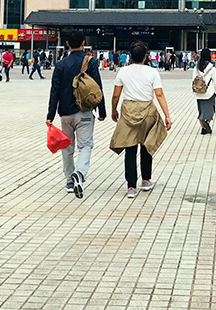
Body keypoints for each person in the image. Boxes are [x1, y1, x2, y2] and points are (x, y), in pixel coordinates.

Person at [46, 30, 106, 199]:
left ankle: (69, 181)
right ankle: (79, 173)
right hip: (84, 112)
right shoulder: (90, 63)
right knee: (85, 145)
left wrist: (50, 115)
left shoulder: (60, 65)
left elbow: (54, 92)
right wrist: (102, 111)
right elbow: (97, 89)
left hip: (65, 113)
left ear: (67, 45)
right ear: (83, 43)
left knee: (67, 146)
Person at [110, 42, 173, 199]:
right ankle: (146, 180)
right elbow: (159, 94)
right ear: (145, 57)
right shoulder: (152, 72)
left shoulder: (123, 72)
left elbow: (116, 94)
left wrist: (113, 110)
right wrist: (167, 115)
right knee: (147, 146)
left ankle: (131, 186)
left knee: (130, 149)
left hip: (128, 111)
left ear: (131, 56)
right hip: (147, 111)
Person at [192, 48, 216, 135]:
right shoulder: (211, 67)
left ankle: (203, 128)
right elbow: (215, 80)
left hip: (198, 92)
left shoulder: (196, 67)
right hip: (209, 92)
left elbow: (193, 79)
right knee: (211, 110)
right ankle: (207, 123)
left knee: (201, 111)